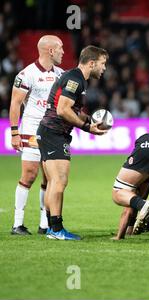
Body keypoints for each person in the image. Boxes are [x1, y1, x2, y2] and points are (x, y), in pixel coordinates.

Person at [36, 45, 109, 240]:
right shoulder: (75, 79)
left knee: (54, 181)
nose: (104, 68)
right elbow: (63, 109)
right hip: (54, 134)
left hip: (50, 133)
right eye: (102, 64)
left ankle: (53, 228)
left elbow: (72, 109)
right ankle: (57, 229)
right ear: (91, 63)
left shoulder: (77, 79)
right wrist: (86, 128)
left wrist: (89, 121)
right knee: (59, 181)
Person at [9, 35, 64, 235]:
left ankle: (44, 223)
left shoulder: (61, 74)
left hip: (52, 131)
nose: (63, 52)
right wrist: (15, 132)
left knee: (48, 177)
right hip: (31, 129)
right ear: (50, 50)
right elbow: (15, 103)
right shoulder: (27, 74)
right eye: (60, 48)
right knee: (29, 174)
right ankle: (17, 223)